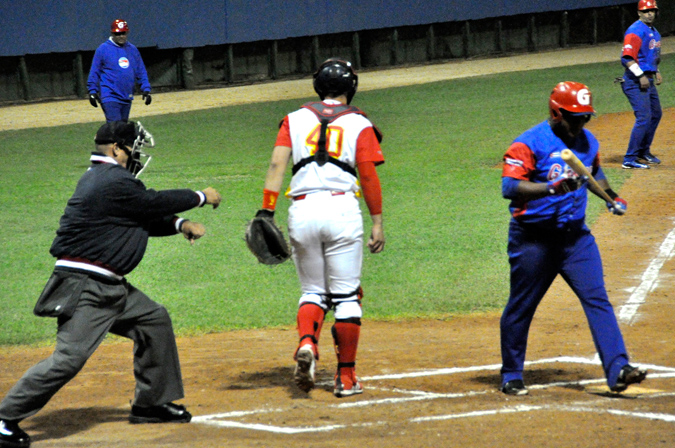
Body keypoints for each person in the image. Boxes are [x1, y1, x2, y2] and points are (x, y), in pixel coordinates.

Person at [0, 121, 222, 448]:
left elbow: (140, 216)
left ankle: (151, 403)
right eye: (133, 146)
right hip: (86, 288)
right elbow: (151, 203)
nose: (137, 154)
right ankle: (5, 417)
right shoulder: (110, 180)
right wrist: (201, 196)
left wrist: (179, 224)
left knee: (153, 320)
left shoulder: (109, 182)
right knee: (69, 358)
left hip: (112, 288)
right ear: (117, 148)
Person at [499, 81, 647, 396]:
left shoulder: (587, 141)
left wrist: (611, 196)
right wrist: (550, 188)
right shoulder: (528, 143)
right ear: (556, 113)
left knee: (597, 298)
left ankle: (618, 368)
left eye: (585, 117)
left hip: (576, 240)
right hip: (533, 241)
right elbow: (510, 188)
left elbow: (594, 174)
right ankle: (511, 373)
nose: (580, 123)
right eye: (574, 117)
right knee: (522, 306)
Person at [256, 58, 385, 398]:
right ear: (351, 86)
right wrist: (377, 222)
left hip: (302, 211)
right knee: (346, 296)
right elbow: (369, 175)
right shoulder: (359, 123)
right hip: (342, 209)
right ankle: (346, 378)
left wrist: (266, 211)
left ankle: (307, 343)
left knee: (313, 290)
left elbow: (276, 164)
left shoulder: (293, 119)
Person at [620, 0, 662, 169]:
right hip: (634, 81)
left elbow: (649, 55)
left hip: (648, 78)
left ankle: (643, 151)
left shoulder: (653, 30)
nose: (649, 13)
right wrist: (640, 75)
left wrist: (655, 70)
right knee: (644, 117)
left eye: (652, 10)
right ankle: (629, 159)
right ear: (639, 13)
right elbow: (627, 57)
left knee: (656, 114)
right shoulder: (635, 30)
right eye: (646, 11)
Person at [87, 19, 152, 122]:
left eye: (123, 33)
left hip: (126, 95)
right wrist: (92, 91)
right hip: (109, 95)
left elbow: (141, 70)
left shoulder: (132, 49)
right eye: (118, 34)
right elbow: (95, 71)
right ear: (112, 33)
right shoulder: (103, 49)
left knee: (122, 130)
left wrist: (146, 89)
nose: (121, 36)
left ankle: (105, 138)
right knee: (116, 127)